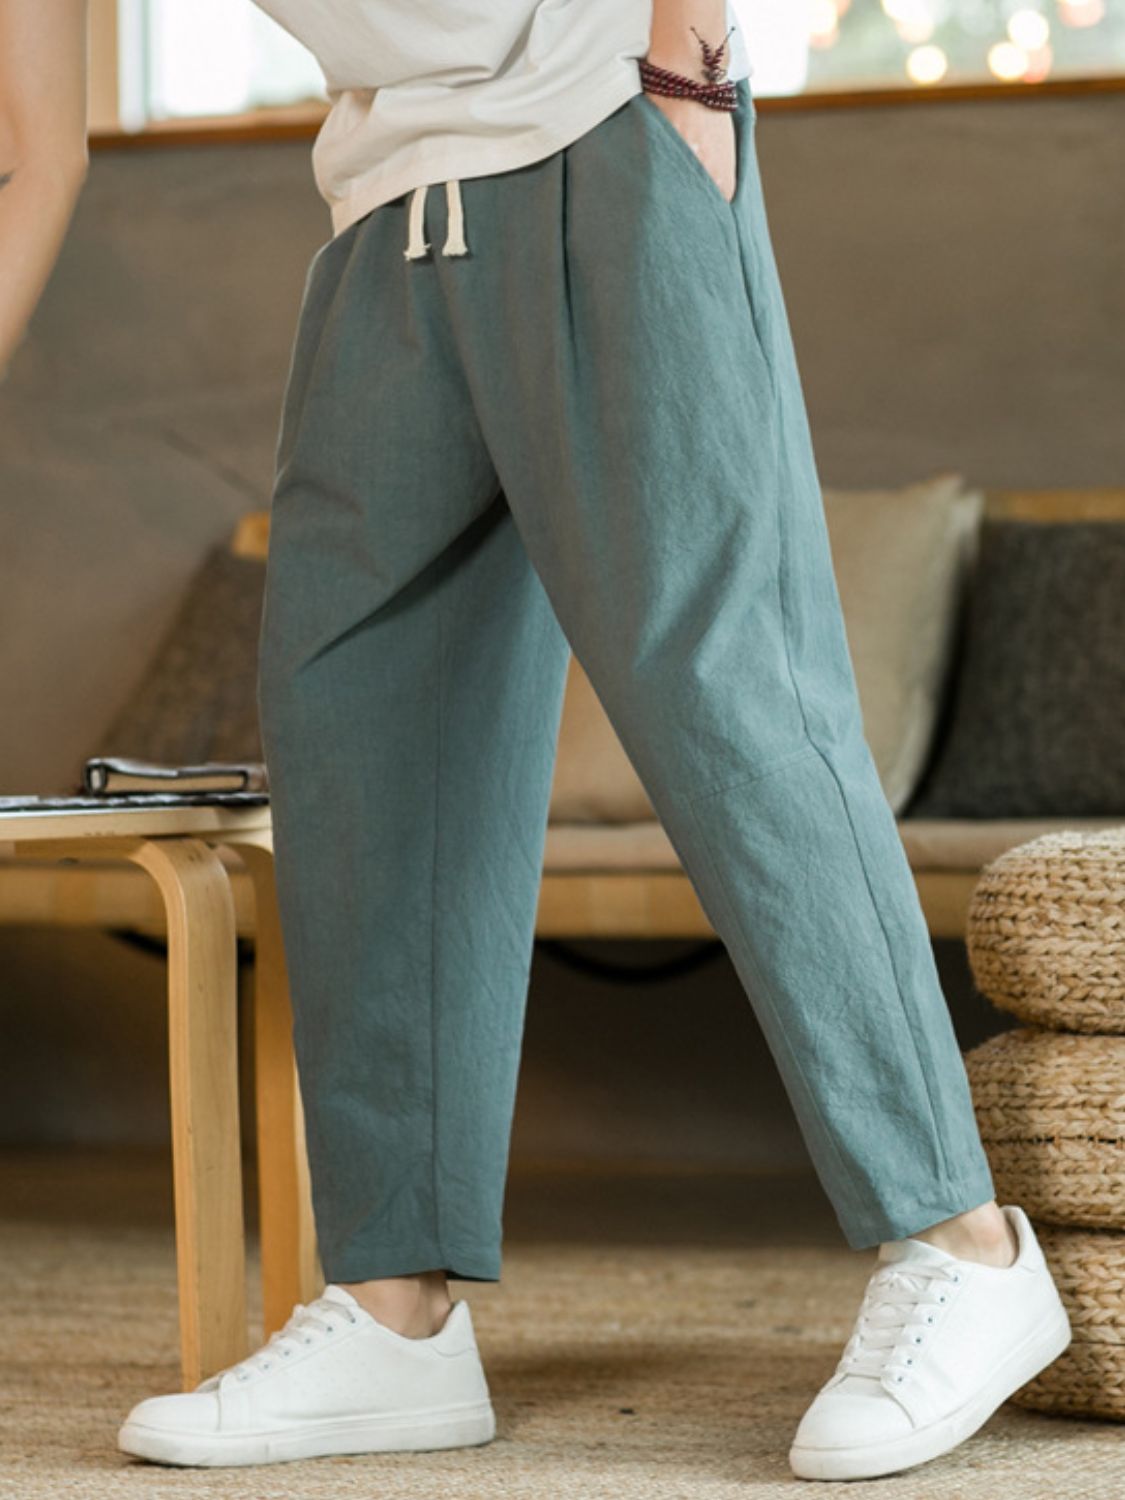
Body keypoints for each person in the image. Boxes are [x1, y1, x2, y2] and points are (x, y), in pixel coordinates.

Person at [2, 0, 1072, 1482]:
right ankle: (397, 1314)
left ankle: (960, 1243)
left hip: (605, 119)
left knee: (724, 689)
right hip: (382, 213)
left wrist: (687, 75)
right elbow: (28, 150)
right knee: (361, 729)